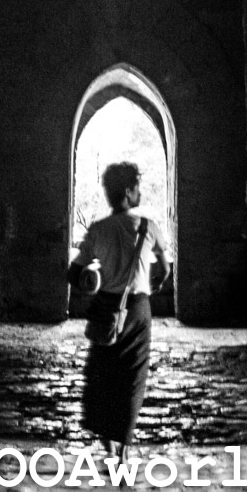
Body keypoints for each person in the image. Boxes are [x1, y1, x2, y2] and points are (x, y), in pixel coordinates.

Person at [68, 161, 172, 461]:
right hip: (137, 310)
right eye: (137, 188)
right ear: (128, 192)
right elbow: (164, 270)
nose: (140, 193)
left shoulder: (98, 230)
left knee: (103, 377)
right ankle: (124, 449)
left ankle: (109, 447)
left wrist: (93, 280)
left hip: (106, 308)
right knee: (132, 380)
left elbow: (74, 273)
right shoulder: (147, 227)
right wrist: (153, 282)